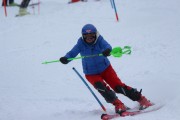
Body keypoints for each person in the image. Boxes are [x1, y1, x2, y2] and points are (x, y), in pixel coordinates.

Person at [59, 24, 153, 114]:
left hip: (105, 68)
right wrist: (66, 58)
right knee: (102, 88)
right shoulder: (80, 43)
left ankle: (142, 100)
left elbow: (107, 46)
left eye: (92, 36)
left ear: (95, 35)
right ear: (83, 36)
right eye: (86, 36)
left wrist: (107, 50)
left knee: (118, 87)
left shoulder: (99, 40)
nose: (89, 38)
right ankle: (119, 105)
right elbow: (72, 52)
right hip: (91, 73)